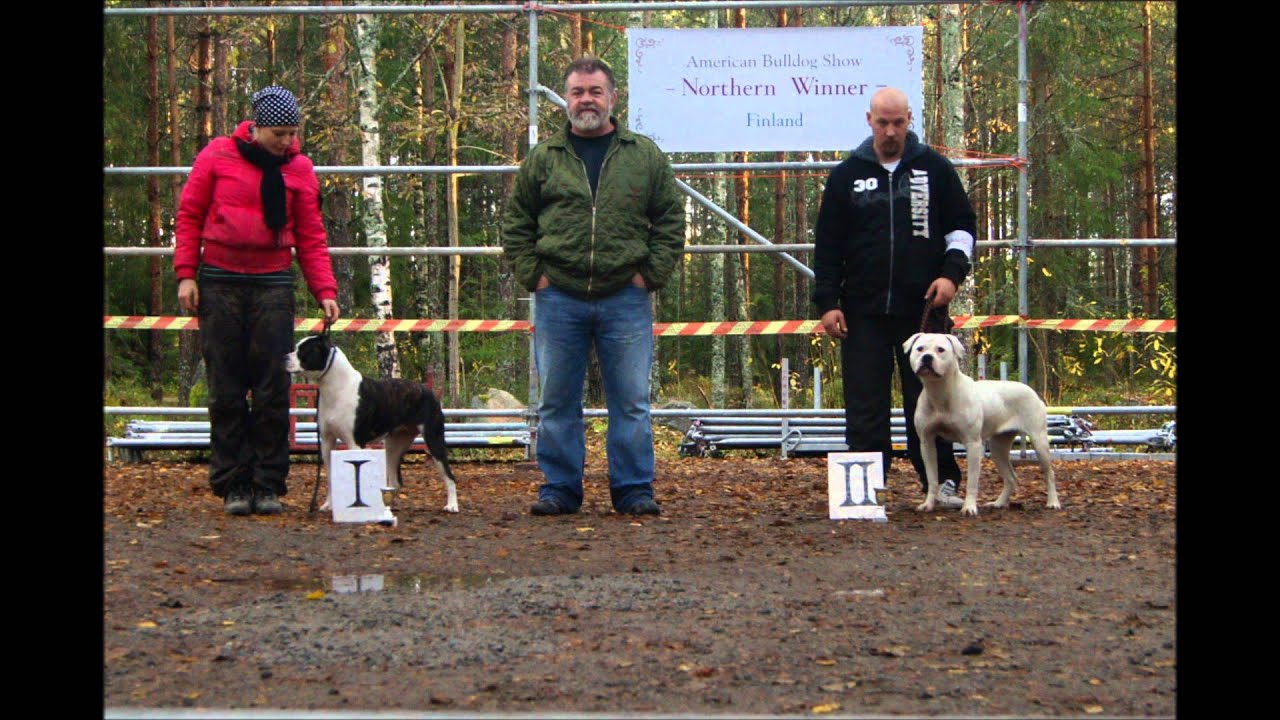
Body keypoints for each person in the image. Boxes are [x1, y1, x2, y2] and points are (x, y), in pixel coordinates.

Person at [502, 57, 685, 517]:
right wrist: (534, 275)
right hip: (558, 296)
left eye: (595, 91)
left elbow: (669, 220)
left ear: (613, 98)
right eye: (578, 92)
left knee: (632, 402)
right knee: (557, 401)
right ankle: (560, 488)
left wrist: (650, 275)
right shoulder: (543, 158)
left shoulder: (644, 156)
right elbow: (516, 222)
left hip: (625, 295)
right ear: (567, 99)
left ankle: (633, 490)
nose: (586, 100)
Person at [174, 85, 341, 516]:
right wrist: (186, 275)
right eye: (279, 133)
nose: (287, 142)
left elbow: (310, 234)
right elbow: (190, 215)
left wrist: (324, 290)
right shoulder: (216, 155)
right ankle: (233, 483)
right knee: (226, 388)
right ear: (257, 128)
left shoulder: (300, 169)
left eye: (292, 134)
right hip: (219, 281)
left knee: (272, 387)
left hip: (272, 283)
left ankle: (268, 483)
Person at [811, 86, 977, 508]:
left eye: (898, 122)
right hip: (861, 312)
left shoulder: (935, 170)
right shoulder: (845, 175)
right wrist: (828, 302)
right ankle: (864, 490)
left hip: (923, 309)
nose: (890, 131)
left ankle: (941, 483)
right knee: (865, 406)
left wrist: (952, 276)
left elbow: (962, 229)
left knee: (934, 401)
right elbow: (827, 245)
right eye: (882, 122)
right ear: (869, 121)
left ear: (909, 121)